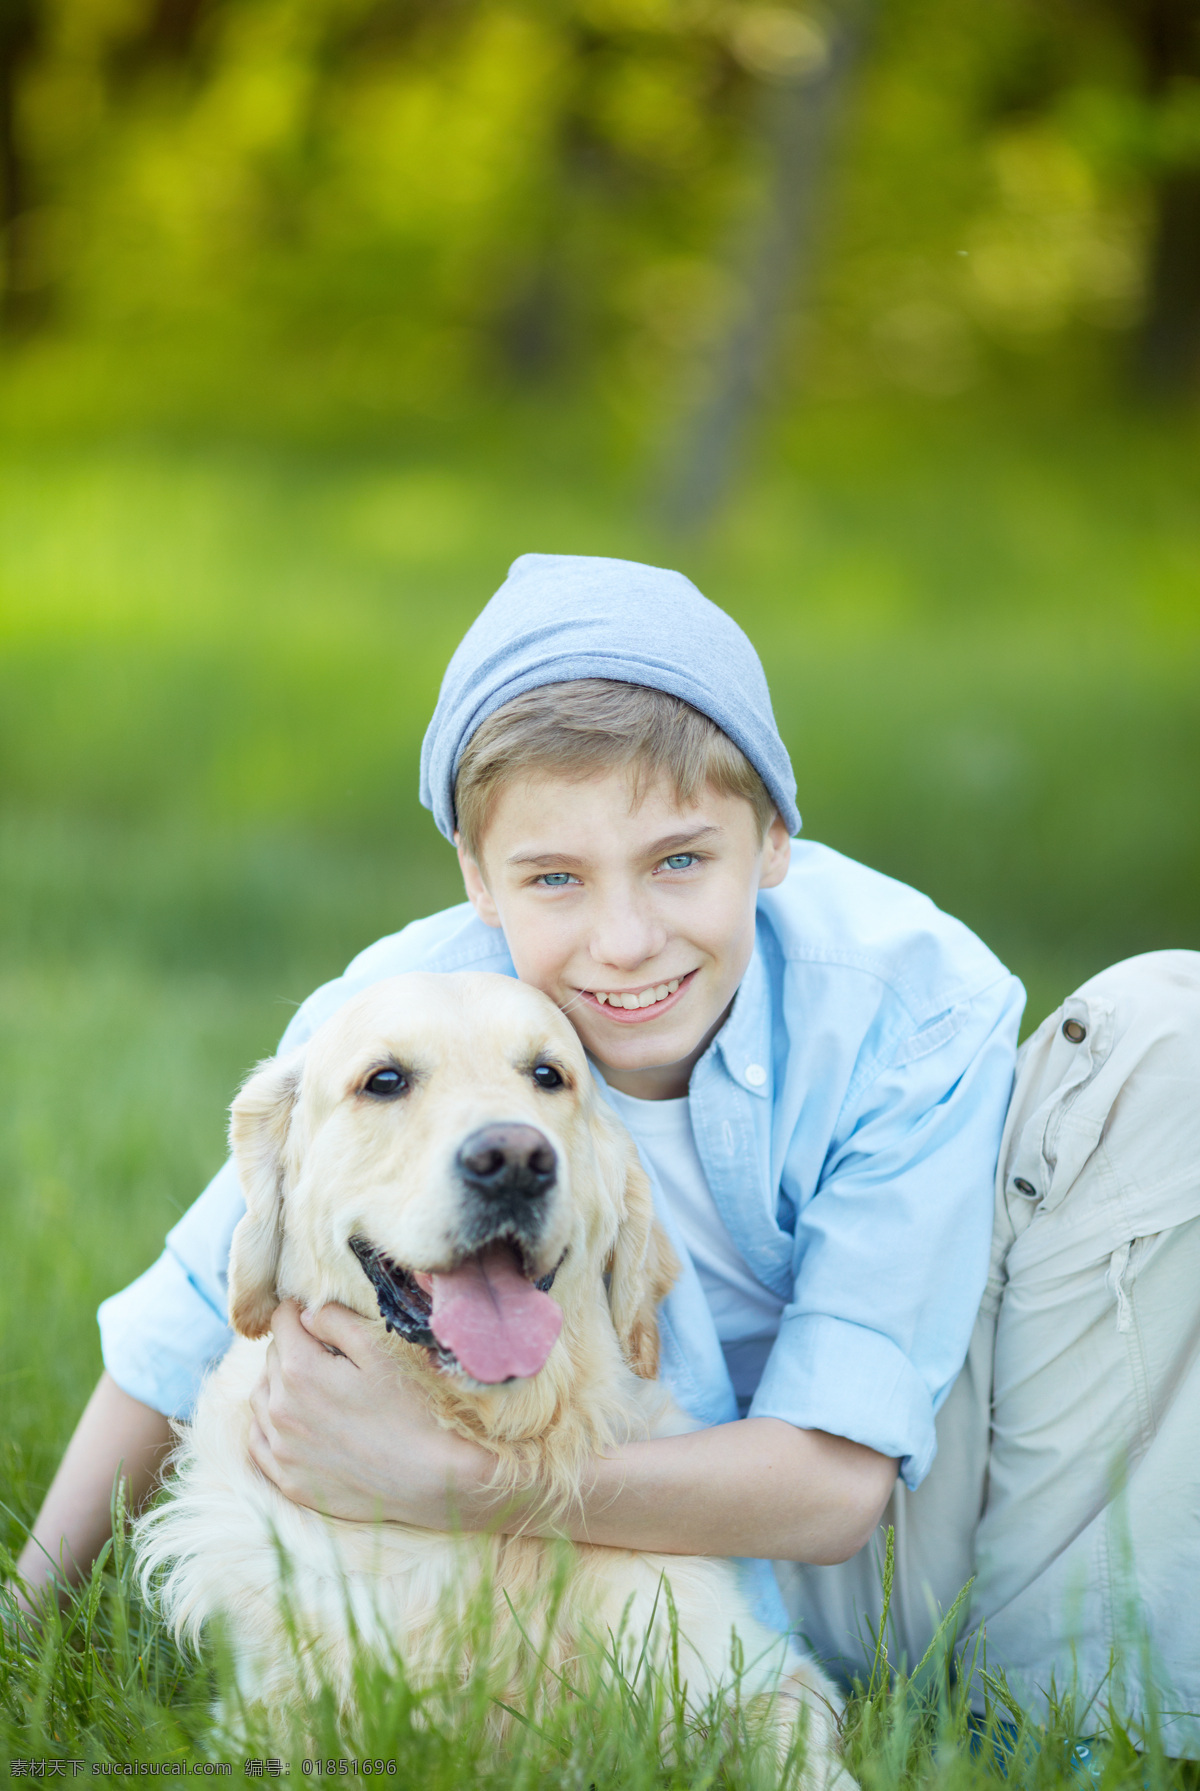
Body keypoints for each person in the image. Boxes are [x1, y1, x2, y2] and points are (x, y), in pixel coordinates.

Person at [17, 555, 1200, 1747]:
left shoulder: (911, 1002)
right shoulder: (415, 1009)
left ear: (775, 840)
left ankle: (1075, 1720)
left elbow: (841, 1485)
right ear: (482, 881)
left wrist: (453, 1484)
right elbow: (189, 1313)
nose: (626, 942)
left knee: (1174, 1019)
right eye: (555, 878)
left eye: (681, 859)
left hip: (889, 1495)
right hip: (616, 1529)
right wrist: (28, 1620)